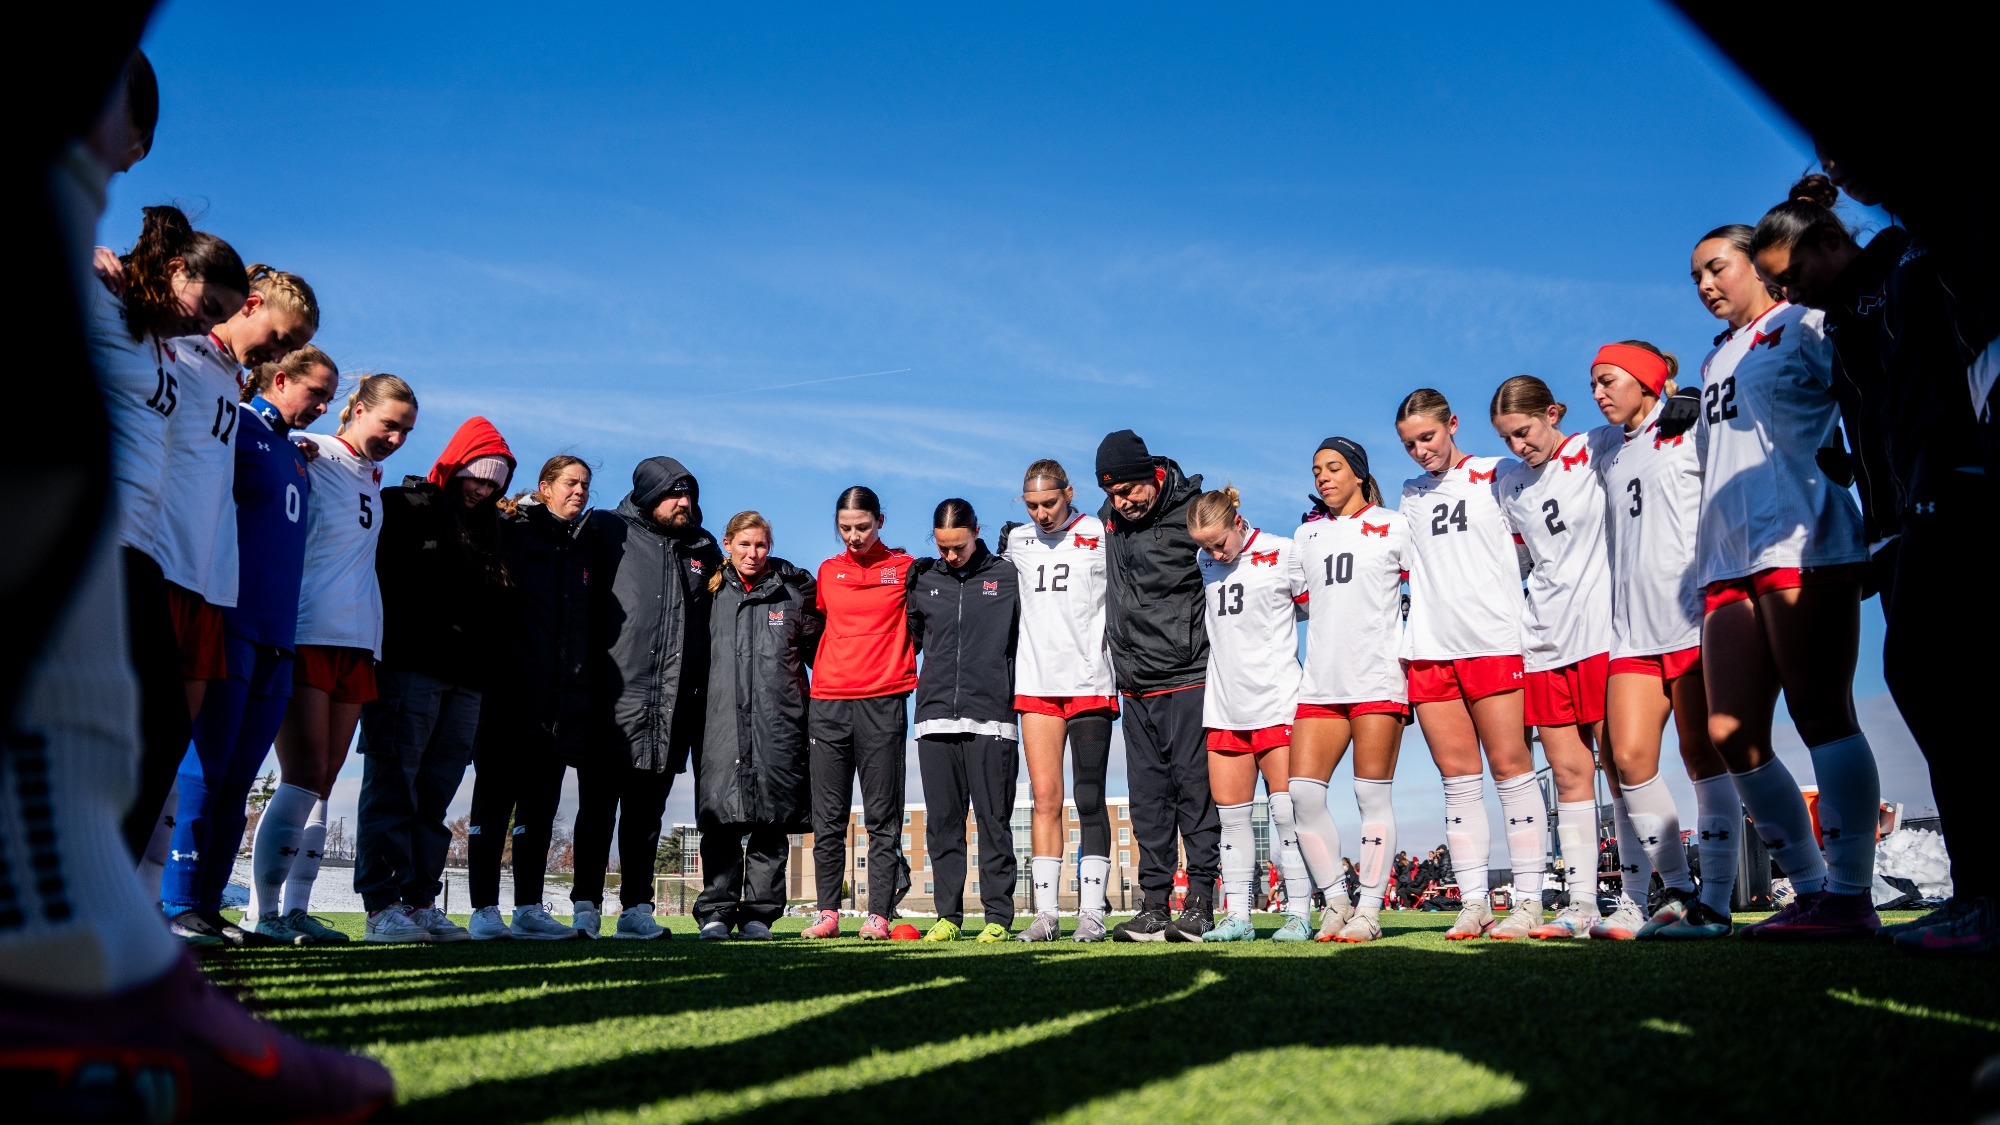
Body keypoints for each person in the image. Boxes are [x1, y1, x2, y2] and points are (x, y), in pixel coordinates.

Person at [2, 40, 390, 1115]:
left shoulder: (166, 336)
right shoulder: (106, 293)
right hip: (108, 550)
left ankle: (109, 966)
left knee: (139, 744)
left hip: (172, 567)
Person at [1749, 176, 1998, 953]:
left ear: (1830, 240)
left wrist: (1941, 483)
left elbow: (1935, 391)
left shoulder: (1904, 268)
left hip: (1949, 502)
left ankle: (1987, 893)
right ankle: (1977, 889)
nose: (1788, 293)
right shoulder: (1840, 320)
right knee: (1927, 689)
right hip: (1894, 525)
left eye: (1792, 276)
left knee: (1948, 686)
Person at [1675, 221, 1880, 939]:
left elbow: (1867, 406)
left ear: (1760, 266)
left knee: (1823, 712)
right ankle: (1814, 889)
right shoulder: (1712, 361)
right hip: (1727, 560)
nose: (1704, 284)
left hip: (1803, 536)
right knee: (1731, 731)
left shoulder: (1806, 324)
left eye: (1716, 267)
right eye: (1694, 275)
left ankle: (1853, 893)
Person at [131, 264, 324, 893]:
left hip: (232, 603)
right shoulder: (180, 353)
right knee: (175, 759)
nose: (281, 351)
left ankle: (198, 901)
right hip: (164, 577)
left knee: (218, 767)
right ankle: (161, 899)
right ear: (250, 302)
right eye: (283, 337)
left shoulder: (272, 431)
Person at [160, 346, 337, 947]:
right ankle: (176, 902)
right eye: (316, 393)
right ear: (280, 378)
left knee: (240, 777)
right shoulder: (232, 424)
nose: (322, 408)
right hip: (229, 621)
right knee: (205, 767)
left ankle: (208, 907)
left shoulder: (295, 454)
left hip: (277, 635)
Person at [90, 206, 249, 865]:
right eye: (206, 304)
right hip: (91, 546)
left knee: (161, 726)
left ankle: (107, 891)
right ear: (176, 269)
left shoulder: (161, 345)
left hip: (139, 552)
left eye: (219, 318)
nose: (206, 324)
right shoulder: (99, 304)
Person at [245, 372, 416, 943]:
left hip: (360, 640)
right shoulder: (308, 454)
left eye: (406, 431)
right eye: (388, 424)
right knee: (302, 773)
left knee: (325, 782)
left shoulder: (371, 476)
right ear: (356, 410)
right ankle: (261, 910)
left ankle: (298, 908)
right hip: (308, 629)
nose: (395, 438)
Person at [1577, 340, 1739, 942]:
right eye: (1593, 383)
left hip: (1692, 620)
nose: (1597, 394)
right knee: (1628, 761)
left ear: (1645, 381)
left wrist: (1690, 399)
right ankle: (1676, 888)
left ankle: (1716, 904)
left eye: (1608, 381)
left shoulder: (1691, 428)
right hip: (1631, 633)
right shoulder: (1608, 454)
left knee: (1703, 756)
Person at [355, 416, 515, 943]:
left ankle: (421, 899)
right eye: (477, 475)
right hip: (407, 669)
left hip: (467, 680)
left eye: (495, 481)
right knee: (393, 783)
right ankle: (381, 906)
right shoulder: (405, 508)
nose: (484, 488)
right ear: (455, 465)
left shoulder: (493, 528)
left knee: (437, 794)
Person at [1394, 389, 1536, 941]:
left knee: (1511, 769)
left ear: (1452, 424)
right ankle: (1474, 901)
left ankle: (1526, 901)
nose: (1420, 452)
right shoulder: (1410, 495)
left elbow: (1527, 546)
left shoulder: (1497, 473)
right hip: (1430, 647)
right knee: (1458, 782)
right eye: (1409, 445)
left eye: (1427, 437)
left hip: (1494, 641)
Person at [1487, 376, 1609, 940]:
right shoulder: (1509, 485)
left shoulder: (1596, 449)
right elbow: (1518, 561)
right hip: (1544, 642)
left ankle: (1663, 892)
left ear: (1553, 413)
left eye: (1525, 431)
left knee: (1626, 767)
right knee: (1568, 774)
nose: (1519, 446)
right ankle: (1582, 904)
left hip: (1605, 634)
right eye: (1507, 437)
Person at [575, 456, 718, 940]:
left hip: (671, 706)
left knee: (645, 817)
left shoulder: (702, 547)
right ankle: (585, 907)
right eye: (674, 494)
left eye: (689, 494)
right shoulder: (605, 529)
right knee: (596, 810)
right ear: (648, 496)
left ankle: (637, 908)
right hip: (611, 700)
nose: (685, 503)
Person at [1093, 430, 1221, 942]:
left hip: (1189, 675)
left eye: (1129, 490)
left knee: (1195, 792)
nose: (1122, 503)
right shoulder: (1108, 520)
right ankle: (1153, 906)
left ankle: (1203, 902)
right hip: (1134, 683)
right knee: (1148, 800)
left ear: (1152, 474)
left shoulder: (1191, 511)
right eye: (1112, 495)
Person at [466, 456, 597, 941]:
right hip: (504, 695)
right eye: (570, 482)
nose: (579, 491)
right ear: (544, 487)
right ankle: (483, 909)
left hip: (558, 704)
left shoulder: (582, 547)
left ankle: (528, 907)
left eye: (585, 484)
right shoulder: (512, 530)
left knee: (540, 809)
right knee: (494, 803)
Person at [1287, 436, 1409, 944]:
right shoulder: (1305, 538)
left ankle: (1370, 910)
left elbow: (1427, 589)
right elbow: (1298, 604)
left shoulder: (1395, 526)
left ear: (1359, 473)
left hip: (1378, 677)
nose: (1323, 477)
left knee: (1369, 795)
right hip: (1320, 683)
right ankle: (1336, 901)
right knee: (1302, 794)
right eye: (1317, 470)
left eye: (1334, 467)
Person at [1185, 487, 1312, 943]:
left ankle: (1299, 912)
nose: (1215, 553)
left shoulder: (1284, 552)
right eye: (1205, 546)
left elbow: (1316, 608)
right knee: (1233, 820)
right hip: (1224, 707)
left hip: (1277, 701)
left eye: (1219, 542)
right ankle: (1237, 915)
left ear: (1239, 521)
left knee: (1287, 816)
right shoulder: (1205, 564)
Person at [1003, 459, 1116, 942]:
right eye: (1032, 506)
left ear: (1069, 493)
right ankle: (1046, 914)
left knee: (1089, 797)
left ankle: (1092, 911)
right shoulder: (1017, 542)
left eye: (1049, 503)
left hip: (1090, 681)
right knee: (1044, 798)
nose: (1042, 514)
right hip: (1036, 683)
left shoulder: (1100, 533)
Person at [693, 512, 821, 941]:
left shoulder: (791, 595)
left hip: (777, 725)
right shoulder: (706, 594)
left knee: (771, 823)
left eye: (761, 545)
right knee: (721, 821)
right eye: (744, 544)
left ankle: (758, 916)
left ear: (771, 547)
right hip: (719, 723)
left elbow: (820, 653)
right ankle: (716, 911)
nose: (753, 553)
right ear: (728, 544)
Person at [801, 486, 918, 940]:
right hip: (828, 701)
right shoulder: (828, 572)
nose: (854, 536)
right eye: (846, 528)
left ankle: (879, 915)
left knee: (881, 816)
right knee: (827, 817)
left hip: (883, 701)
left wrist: (896, 660)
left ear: (880, 522)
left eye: (863, 527)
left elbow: (921, 624)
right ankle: (827, 912)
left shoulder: (905, 569)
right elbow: (816, 627)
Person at [903, 500, 1020, 943]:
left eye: (959, 546)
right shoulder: (925, 579)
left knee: (994, 821)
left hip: (992, 717)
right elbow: (911, 640)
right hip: (933, 718)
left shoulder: (1007, 577)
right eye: (943, 547)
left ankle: (997, 917)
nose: (950, 555)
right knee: (942, 823)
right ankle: (948, 917)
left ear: (976, 532)